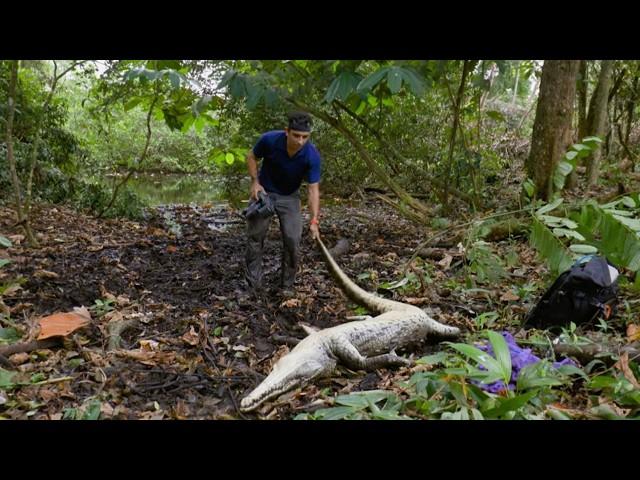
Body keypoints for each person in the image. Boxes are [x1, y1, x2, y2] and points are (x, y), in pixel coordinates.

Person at [244, 111, 321, 295]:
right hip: (265, 193)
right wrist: (255, 182)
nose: (300, 141)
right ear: (287, 131)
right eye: (296, 136)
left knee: (293, 239)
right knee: (255, 237)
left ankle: (287, 286)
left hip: (289, 196)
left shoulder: (311, 155)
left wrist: (314, 221)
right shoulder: (269, 140)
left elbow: (313, 189)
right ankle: (254, 284)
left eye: (305, 137)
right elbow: (251, 156)